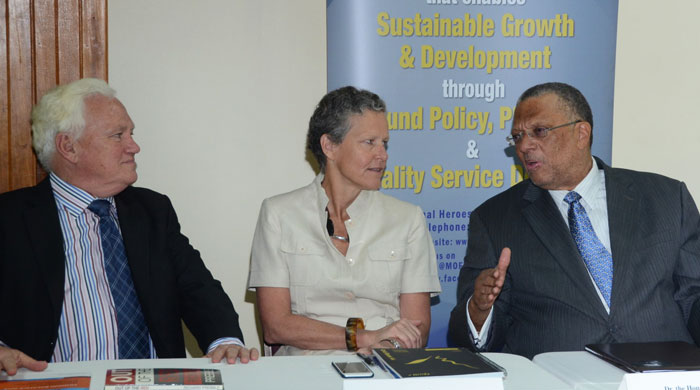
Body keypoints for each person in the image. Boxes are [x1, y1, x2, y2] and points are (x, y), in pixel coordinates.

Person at [0, 78, 259, 375]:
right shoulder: (10, 220)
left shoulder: (152, 211)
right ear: (68, 147)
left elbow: (197, 287)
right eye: (117, 135)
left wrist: (223, 340)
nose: (134, 146)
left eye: (131, 133)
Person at [448, 82, 700, 359]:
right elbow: (468, 339)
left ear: (581, 133)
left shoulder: (665, 198)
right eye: (518, 137)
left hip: (660, 380)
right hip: (557, 389)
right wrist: (479, 309)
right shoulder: (495, 219)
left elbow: (693, 295)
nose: (525, 146)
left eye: (539, 131)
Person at [248, 86, 440, 355]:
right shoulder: (279, 215)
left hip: (382, 367)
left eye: (384, 143)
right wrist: (365, 338)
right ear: (329, 146)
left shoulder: (408, 220)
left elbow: (417, 327)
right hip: (304, 376)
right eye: (369, 142)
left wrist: (385, 346)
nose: (382, 155)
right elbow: (276, 326)